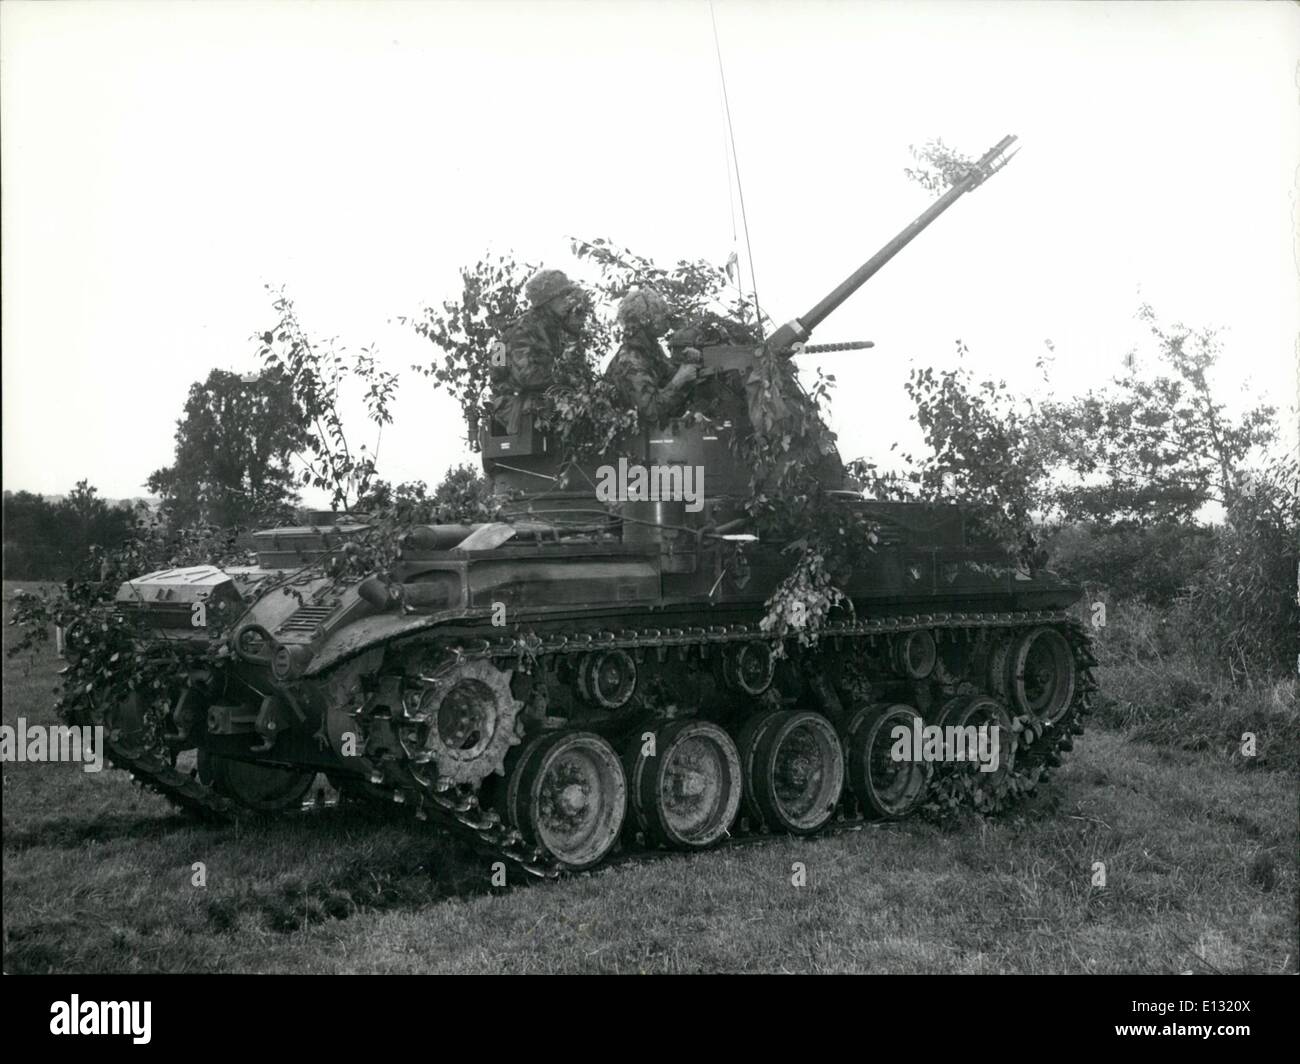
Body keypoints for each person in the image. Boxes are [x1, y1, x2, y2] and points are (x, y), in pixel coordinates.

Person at [489, 268, 591, 434]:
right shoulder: (524, 329)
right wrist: (566, 378)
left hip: (538, 402)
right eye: (562, 296)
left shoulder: (555, 328)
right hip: (519, 406)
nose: (568, 301)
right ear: (548, 301)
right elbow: (526, 376)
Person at [605, 287, 700, 423]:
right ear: (645, 319)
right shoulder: (630, 359)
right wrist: (679, 380)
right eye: (661, 314)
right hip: (633, 441)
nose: (667, 318)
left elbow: (670, 377)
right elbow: (650, 412)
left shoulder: (650, 350)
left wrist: (687, 362)